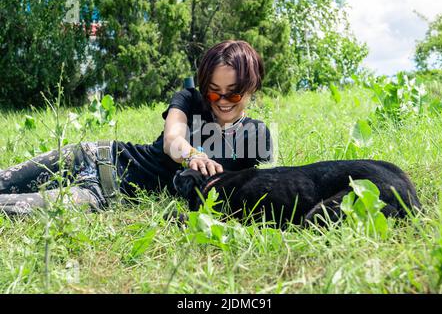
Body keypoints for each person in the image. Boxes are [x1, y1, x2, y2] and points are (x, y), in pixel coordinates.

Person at [0, 40, 273, 216]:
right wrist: (193, 155)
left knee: (13, 208)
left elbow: (260, 190)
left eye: (234, 94)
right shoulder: (189, 100)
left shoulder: (256, 136)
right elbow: (172, 138)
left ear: (252, 88)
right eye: (214, 93)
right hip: (92, 156)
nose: (223, 102)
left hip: (100, 195)